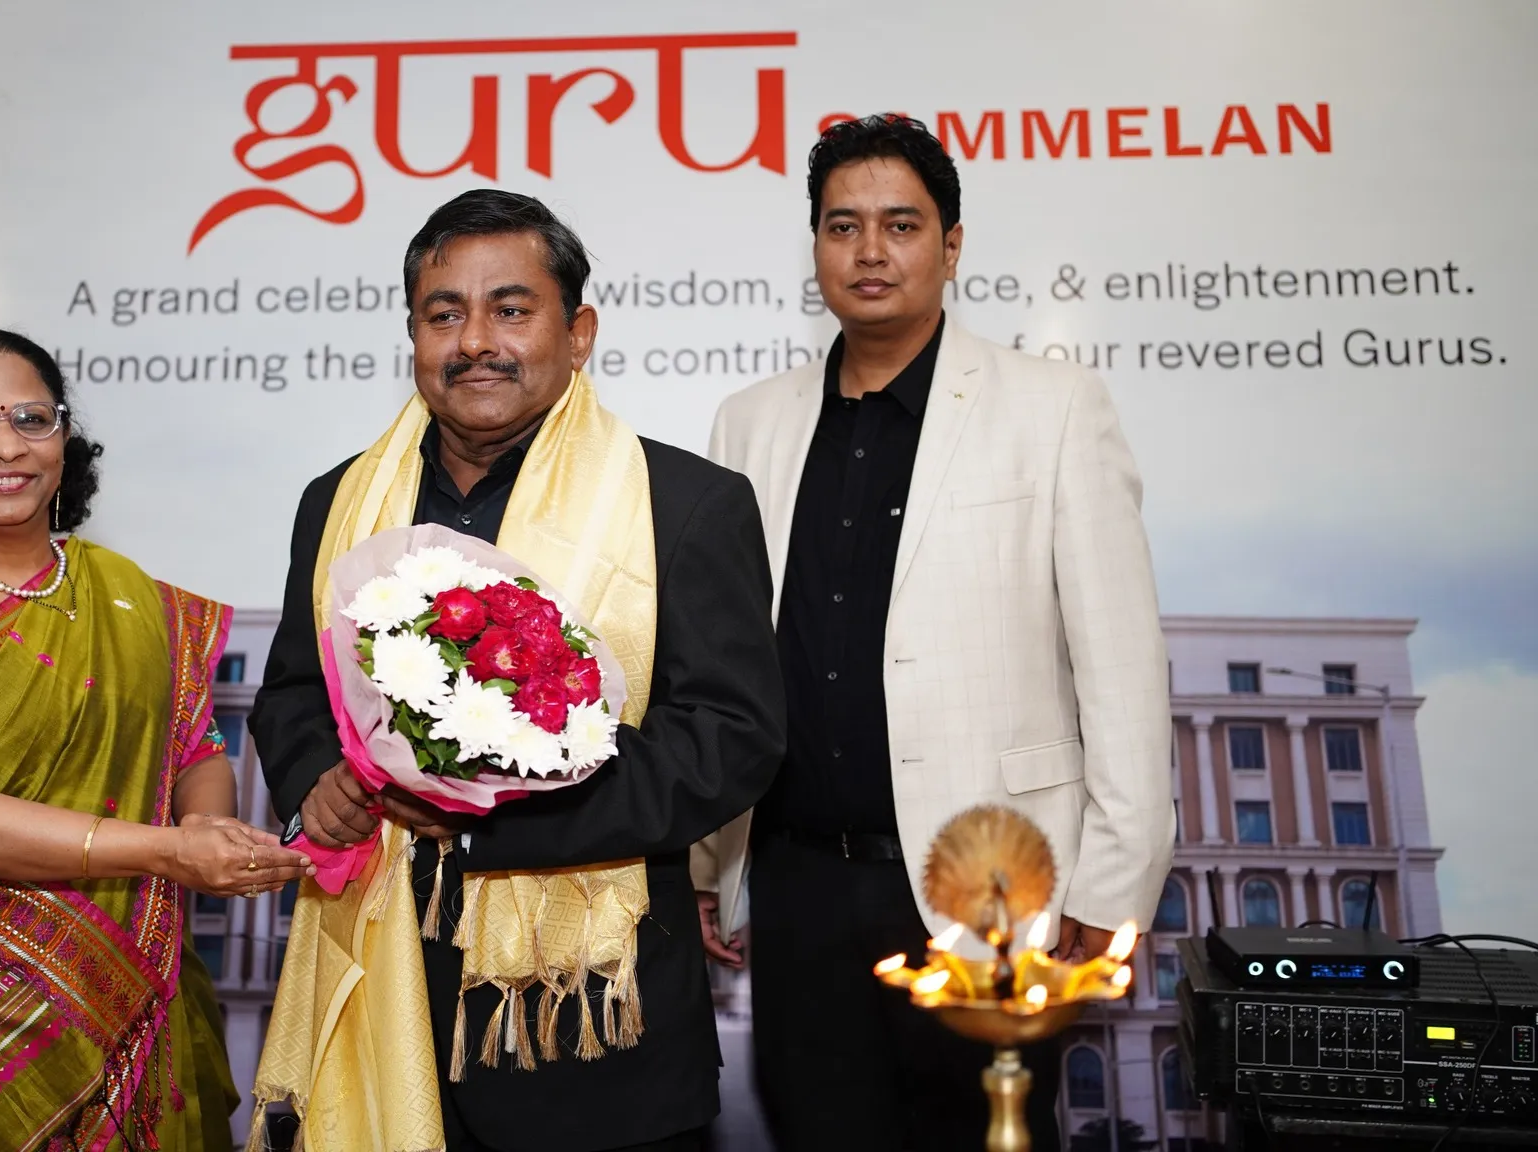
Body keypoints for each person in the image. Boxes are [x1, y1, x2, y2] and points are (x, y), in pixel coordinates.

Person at [248, 190, 785, 1152]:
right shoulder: (338, 502)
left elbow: (729, 739)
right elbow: (293, 690)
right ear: (413, 335)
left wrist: (484, 812)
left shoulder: (685, 503)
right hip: (372, 981)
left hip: (585, 1033)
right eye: (443, 314)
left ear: (578, 333)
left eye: (510, 309)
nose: (474, 342)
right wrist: (316, 783)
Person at [697, 116, 1175, 1150]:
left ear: (950, 246)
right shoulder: (749, 422)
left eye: (900, 225)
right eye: (842, 226)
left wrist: (1111, 886)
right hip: (799, 883)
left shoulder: (1052, 407)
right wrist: (708, 862)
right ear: (816, 246)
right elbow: (727, 664)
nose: (869, 251)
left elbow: (1123, 669)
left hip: (993, 879)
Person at [0, 326, 311, 1151]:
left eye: (32, 419)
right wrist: (168, 852)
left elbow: (194, 749)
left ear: (64, 437)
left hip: (128, 974)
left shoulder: (129, 596)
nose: (7, 446)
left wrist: (205, 826)